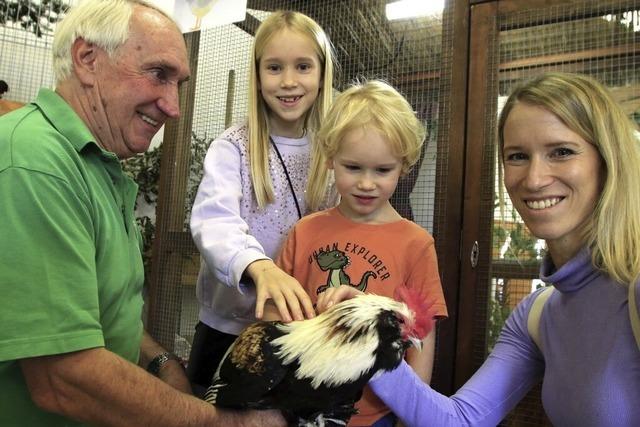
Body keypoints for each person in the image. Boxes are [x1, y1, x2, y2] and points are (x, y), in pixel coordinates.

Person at [0, 0, 284, 426]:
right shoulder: (35, 163)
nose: (172, 106)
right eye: (158, 73)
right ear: (87, 59)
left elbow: (101, 310)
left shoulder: (97, 167)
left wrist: (161, 362)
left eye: (178, 84)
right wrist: (225, 423)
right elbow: (62, 376)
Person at [317, 72, 640, 426]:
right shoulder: (537, 315)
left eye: (561, 152)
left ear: (607, 161)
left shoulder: (632, 293)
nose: (533, 179)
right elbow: (461, 420)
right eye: (517, 156)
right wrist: (368, 332)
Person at [272, 80, 448, 427]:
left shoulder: (416, 244)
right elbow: (272, 312)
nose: (367, 183)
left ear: (405, 165)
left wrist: (411, 413)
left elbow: (422, 337)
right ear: (330, 160)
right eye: (353, 167)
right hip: (302, 405)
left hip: (374, 412)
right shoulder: (305, 231)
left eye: (383, 170)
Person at [187, 10, 336, 396]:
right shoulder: (233, 146)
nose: (289, 81)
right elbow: (213, 220)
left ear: (321, 76)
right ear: (256, 76)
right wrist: (260, 267)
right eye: (274, 67)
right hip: (227, 327)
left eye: (303, 66)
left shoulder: (332, 152)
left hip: (298, 328)